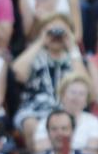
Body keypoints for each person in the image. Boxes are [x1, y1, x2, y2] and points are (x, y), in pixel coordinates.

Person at [11, 13, 84, 144]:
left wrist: (72, 46)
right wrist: (41, 41)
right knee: (30, 124)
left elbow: (83, 82)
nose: (56, 35)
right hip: (35, 109)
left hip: (68, 108)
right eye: (51, 30)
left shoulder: (73, 57)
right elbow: (17, 73)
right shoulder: (35, 54)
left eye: (61, 31)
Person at [30, 72, 98, 154]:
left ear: (86, 100)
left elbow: (93, 153)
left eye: (81, 94)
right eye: (72, 92)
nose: (76, 97)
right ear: (62, 95)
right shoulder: (46, 121)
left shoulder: (94, 122)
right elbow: (40, 150)